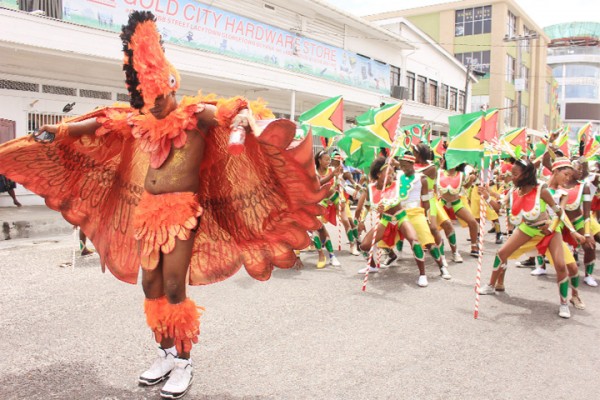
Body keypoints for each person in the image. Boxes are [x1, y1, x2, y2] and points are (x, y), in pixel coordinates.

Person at [0, 11, 325, 399]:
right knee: (149, 284)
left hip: (182, 210)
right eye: (148, 102)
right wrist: (62, 130)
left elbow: (235, 111)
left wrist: (242, 125)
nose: (153, 108)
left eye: (159, 100)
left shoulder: (196, 115)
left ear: (171, 88)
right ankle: (165, 355)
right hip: (148, 210)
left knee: (174, 285)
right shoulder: (140, 119)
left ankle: (185, 363)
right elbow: (104, 123)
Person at [478, 158, 585, 318]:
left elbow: (558, 212)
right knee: (501, 253)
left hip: (548, 231)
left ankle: (564, 303)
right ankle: (491, 285)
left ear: (526, 174)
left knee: (561, 266)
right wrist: (486, 197)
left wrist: (565, 230)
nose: (511, 176)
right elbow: (499, 208)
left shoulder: (541, 189)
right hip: (527, 228)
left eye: (515, 174)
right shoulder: (514, 192)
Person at [354, 156, 429, 287]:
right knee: (364, 246)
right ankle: (372, 267)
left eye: (392, 172)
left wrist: (396, 163)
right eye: (388, 172)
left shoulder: (398, 183)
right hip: (386, 220)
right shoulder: (370, 188)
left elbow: (409, 176)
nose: (392, 174)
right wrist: (362, 220)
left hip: (401, 217)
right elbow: (367, 205)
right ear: (378, 174)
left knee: (414, 241)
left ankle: (422, 275)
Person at [313, 150, 343, 268]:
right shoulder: (313, 171)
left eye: (329, 159)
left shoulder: (331, 170)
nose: (328, 162)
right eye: (326, 159)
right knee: (316, 229)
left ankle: (330, 255)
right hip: (313, 203)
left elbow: (332, 188)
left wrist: (340, 199)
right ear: (319, 161)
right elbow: (318, 184)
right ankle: (323, 254)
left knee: (346, 220)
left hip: (332, 200)